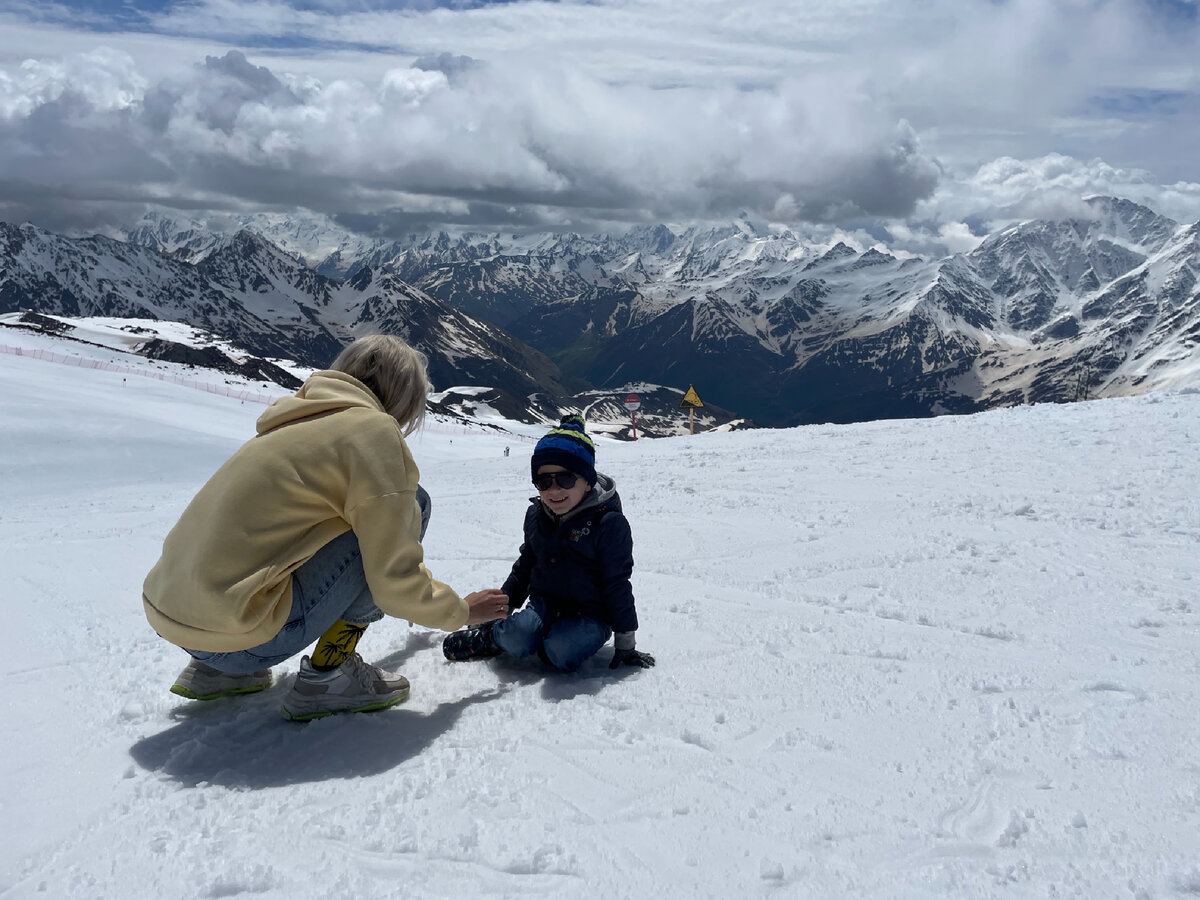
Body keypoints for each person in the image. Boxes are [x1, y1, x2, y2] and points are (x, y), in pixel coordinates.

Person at [142, 335, 509, 721]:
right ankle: (330, 675)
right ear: (403, 398)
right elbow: (393, 581)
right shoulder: (373, 432)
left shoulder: (289, 422)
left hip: (176, 622)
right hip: (240, 637)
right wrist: (462, 611)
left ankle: (217, 672)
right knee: (414, 501)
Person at [442, 415, 655, 672]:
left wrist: (625, 644)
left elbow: (617, 583)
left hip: (592, 613)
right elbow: (526, 566)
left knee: (560, 651)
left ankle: (547, 642)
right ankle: (491, 636)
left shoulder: (608, 524)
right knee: (517, 637)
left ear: (587, 481)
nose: (554, 490)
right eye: (544, 481)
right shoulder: (537, 515)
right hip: (545, 603)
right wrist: (499, 610)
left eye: (566, 479)